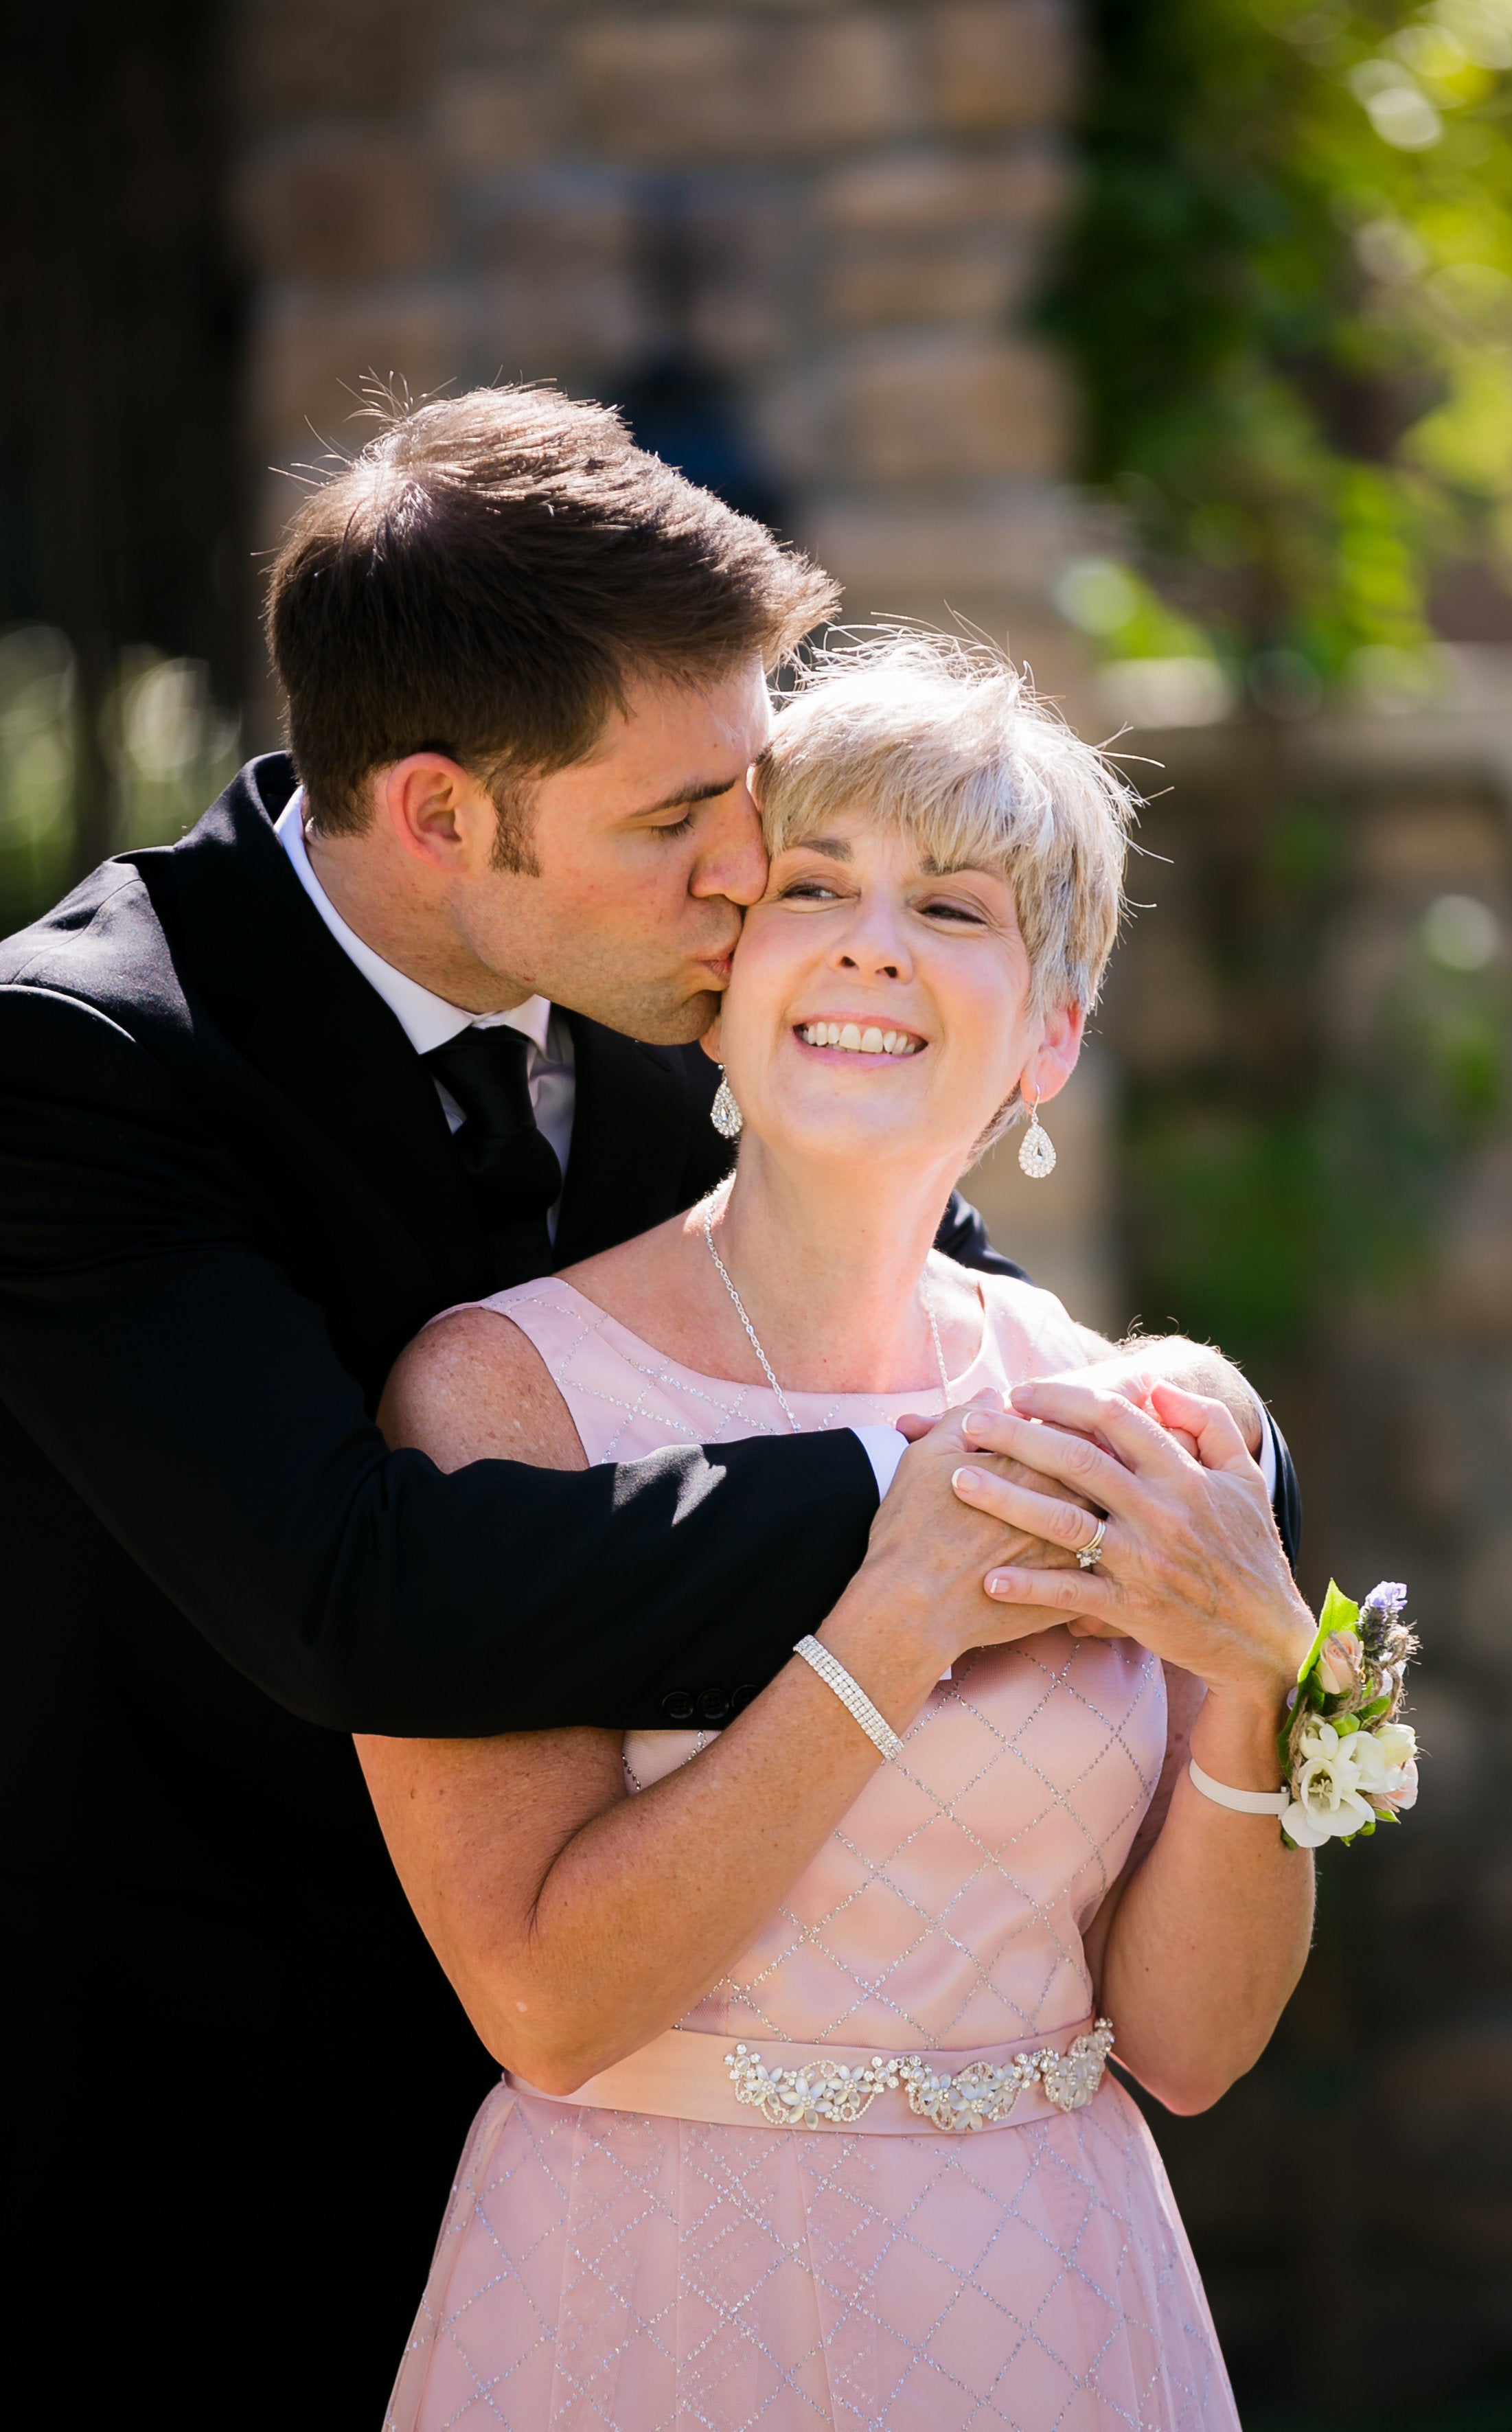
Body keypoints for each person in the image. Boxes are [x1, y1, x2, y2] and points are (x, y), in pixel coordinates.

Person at [0, 389, 1299, 2427]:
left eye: (744, 793)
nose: (747, 874)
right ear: (441, 817)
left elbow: (969, 1313)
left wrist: (1193, 1474)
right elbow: (356, 1593)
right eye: (676, 820)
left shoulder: (668, 982)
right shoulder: (81, 1062)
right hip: (206, 2127)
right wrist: (957, 1514)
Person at [367, 634, 1314, 2432]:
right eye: (815, 887)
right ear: (722, 978)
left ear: (1049, 1033)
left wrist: (1261, 1679)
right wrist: (892, 1624)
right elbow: (548, 2011)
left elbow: (1189, 2051)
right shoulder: (506, 1398)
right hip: (641, 2287)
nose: (874, 942)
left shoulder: (1147, 1423)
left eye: (952, 907)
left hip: (1049, 2282)